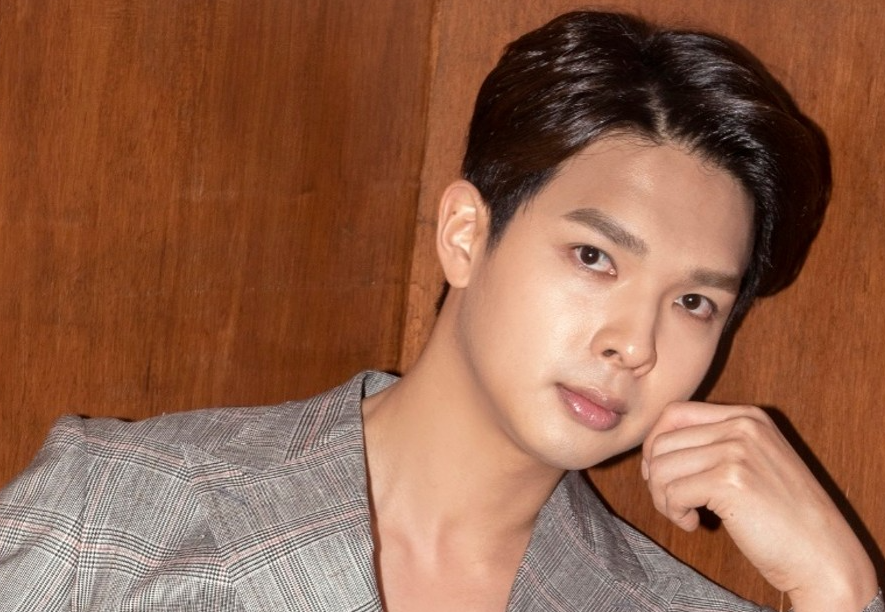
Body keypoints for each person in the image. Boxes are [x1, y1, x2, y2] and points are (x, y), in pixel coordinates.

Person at [0, 9, 880, 612]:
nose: (633, 344)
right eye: (593, 257)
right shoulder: (112, 508)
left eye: (692, 302)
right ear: (465, 234)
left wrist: (837, 593)